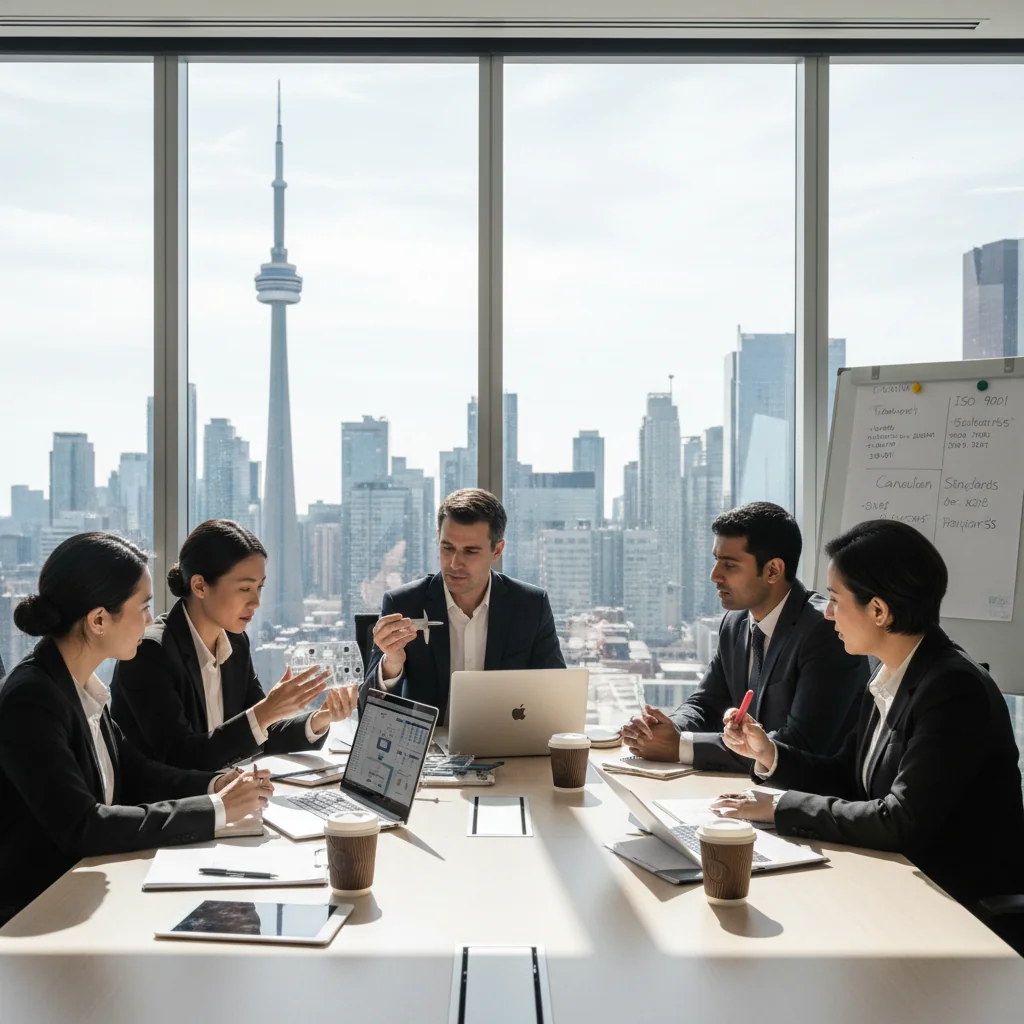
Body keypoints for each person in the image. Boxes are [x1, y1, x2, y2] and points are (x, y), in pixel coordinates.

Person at [713, 519, 1024, 910]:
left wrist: (778, 807)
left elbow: (900, 820)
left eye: (835, 600)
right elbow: (848, 775)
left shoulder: (953, 690)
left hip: (957, 902)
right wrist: (769, 754)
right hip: (898, 881)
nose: (827, 614)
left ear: (878, 610)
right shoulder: (889, 672)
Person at [0, 533, 272, 925]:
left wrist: (216, 786)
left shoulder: (78, 687)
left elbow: (136, 771)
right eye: (142, 607)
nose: (149, 620)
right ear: (98, 620)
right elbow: (85, 826)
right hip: (39, 913)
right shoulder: (33, 701)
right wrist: (216, 810)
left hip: (89, 890)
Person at [622, 502, 869, 770]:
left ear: (773, 570)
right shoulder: (735, 622)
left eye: (729, 565)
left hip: (813, 797)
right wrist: (666, 730)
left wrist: (680, 747)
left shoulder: (826, 631)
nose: (714, 576)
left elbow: (799, 745)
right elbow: (707, 703)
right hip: (750, 789)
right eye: (716, 560)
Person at [110, 520, 356, 772]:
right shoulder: (150, 652)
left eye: (260, 587)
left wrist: (321, 718)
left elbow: (261, 731)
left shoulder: (235, 642)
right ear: (200, 586)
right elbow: (181, 756)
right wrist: (266, 711)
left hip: (225, 796)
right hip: (169, 805)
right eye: (245, 588)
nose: (256, 602)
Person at [362, 488, 565, 722]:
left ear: (497, 550)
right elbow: (367, 711)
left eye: (470, 551)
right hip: (429, 750)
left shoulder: (530, 605)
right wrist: (391, 665)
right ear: (438, 538)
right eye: (447, 548)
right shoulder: (403, 604)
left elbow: (557, 696)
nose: (454, 563)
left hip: (506, 748)